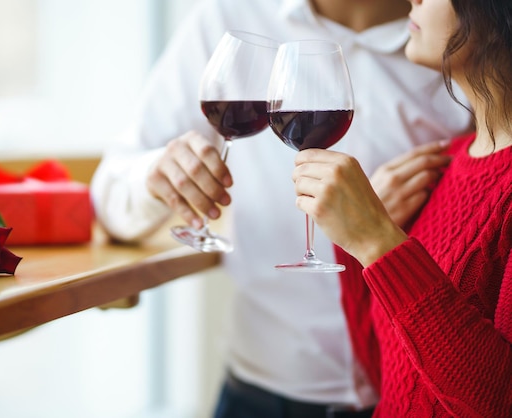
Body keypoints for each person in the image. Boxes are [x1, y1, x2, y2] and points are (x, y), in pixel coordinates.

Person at [92, 0, 473, 416]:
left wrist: (377, 229)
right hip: (261, 394)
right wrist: (159, 176)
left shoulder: (454, 34)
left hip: (418, 395)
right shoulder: (231, 17)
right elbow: (110, 198)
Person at [289, 0, 512, 415]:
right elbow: (390, 379)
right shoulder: (442, 165)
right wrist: (357, 248)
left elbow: (501, 401)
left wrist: (378, 242)